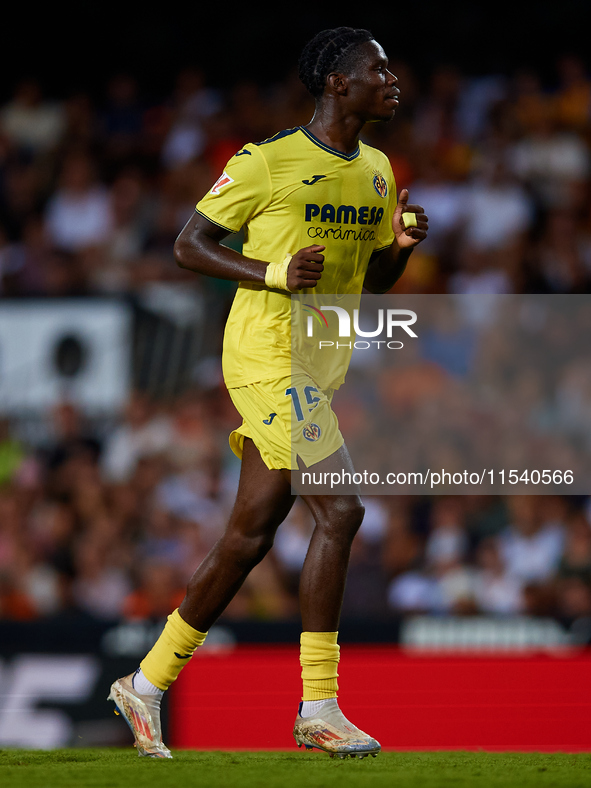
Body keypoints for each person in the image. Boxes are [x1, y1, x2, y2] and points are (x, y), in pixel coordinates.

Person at [108, 26, 428, 759]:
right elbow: (188, 245)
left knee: (248, 536)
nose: (391, 79)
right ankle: (319, 705)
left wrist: (399, 249)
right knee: (341, 510)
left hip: (317, 367)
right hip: (265, 358)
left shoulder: (376, 170)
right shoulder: (268, 162)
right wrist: (272, 273)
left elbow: (370, 282)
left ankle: (146, 683)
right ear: (336, 84)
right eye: (376, 68)